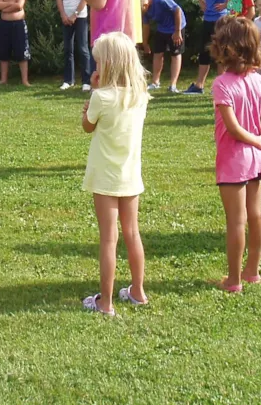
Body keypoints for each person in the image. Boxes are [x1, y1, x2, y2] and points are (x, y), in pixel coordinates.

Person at [81, 32, 150, 315]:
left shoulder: (101, 97)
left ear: (108, 64)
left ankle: (106, 302)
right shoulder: (140, 96)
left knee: (109, 238)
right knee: (132, 232)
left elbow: (87, 126)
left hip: (104, 177)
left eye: (98, 62)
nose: (96, 67)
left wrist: (92, 94)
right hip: (130, 174)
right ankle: (138, 291)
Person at [209, 15, 261, 291]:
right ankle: (252, 272)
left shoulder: (221, 84)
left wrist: (258, 142)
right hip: (257, 159)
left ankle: (234, 280)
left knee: (237, 221)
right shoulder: (260, 82)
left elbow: (234, 129)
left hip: (234, 160)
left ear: (225, 47)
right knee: (256, 215)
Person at [186, 0, 229, 95]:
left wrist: (225, 5)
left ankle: (221, 86)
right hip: (207, 18)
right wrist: (201, 1)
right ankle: (199, 85)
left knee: (221, 52)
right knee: (204, 51)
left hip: (221, 19)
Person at [54, 0, 93, 91]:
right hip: (66, 16)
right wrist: (63, 15)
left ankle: (86, 81)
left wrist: (75, 14)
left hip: (80, 15)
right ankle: (68, 80)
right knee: (67, 49)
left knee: (82, 48)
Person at [140, 0, 185, 93]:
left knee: (175, 54)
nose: (141, 13)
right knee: (158, 53)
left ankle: (173, 85)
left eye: (142, 10)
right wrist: (145, 43)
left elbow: (177, 10)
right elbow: (146, 26)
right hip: (162, 28)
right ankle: (155, 82)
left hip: (176, 27)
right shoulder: (144, 9)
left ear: (145, 5)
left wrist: (177, 31)